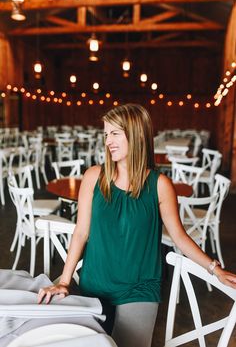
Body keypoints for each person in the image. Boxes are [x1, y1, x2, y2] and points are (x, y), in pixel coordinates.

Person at [38, 104, 236, 347]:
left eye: (115, 133)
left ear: (136, 134)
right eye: (106, 134)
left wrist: (215, 269)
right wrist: (66, 281)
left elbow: (179, 237)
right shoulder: (93, 177)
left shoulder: (160, 185)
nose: (108, 140)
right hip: (93, 283)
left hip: (139, 289)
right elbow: (80, 232)